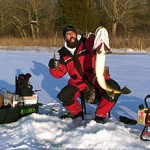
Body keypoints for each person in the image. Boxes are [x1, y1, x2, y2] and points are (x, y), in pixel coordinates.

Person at [48, 25, 120, 123]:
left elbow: (94, 44)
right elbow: (58, 74)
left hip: (95, 77)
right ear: (65, 37)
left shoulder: (85, 43)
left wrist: (97, 36)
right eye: (68, 34)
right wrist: (53, 67)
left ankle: (100, 114)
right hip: (78, 82)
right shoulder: (64, 54)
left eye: (72, 32)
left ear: (76, 34)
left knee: (114, 88)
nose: (71, 35)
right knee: (64, 96)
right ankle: (77, 112)